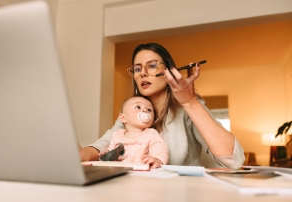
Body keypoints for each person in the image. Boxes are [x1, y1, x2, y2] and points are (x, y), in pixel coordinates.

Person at [79, 42, 245, 169]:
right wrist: (82, 155)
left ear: (168, 71)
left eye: (152, 66)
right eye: (137, 69)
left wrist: (190, 102)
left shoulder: (187, 108)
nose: (142, 73)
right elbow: (107, 142)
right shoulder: (131, 110)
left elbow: (234, 160)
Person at [99, 96, 169, 168]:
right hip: (119, 172)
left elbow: (159, 148)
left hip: (141, 173)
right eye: (138, 107)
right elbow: (112, 150)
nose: (145, 110)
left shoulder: (151, 133)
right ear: (123, 118)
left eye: (149, 109)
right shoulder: (117, 134)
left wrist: (157, 160)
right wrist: (106, 153)